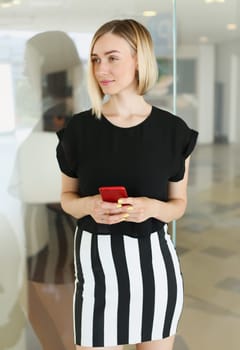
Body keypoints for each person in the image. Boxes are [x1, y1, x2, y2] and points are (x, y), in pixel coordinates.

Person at [56, 19, 198, 350]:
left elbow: (178, 205)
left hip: (154, 270)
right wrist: (90, 205)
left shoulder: (173, 132)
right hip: (97, 271)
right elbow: (67, 198)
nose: (101, 68)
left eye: (112, 57)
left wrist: (151, 208)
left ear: (139, 60)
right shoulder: (78, 131)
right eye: (95, 59)